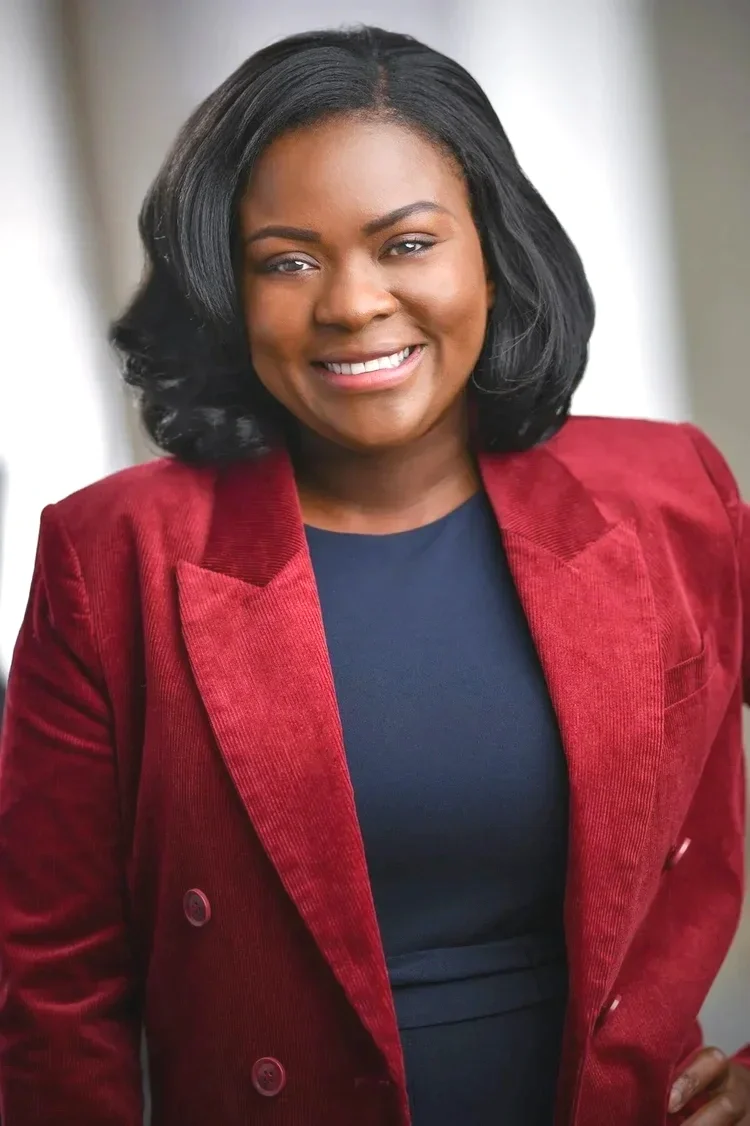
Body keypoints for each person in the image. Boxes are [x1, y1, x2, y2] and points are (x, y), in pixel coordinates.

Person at [0, 25, 747, 1126]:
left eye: (404, 244)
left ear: (491, 249)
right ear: (228, 289)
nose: (350, 303)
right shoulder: (113, 551)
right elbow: (52, 985)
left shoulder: (667, 492)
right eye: (288, 261)